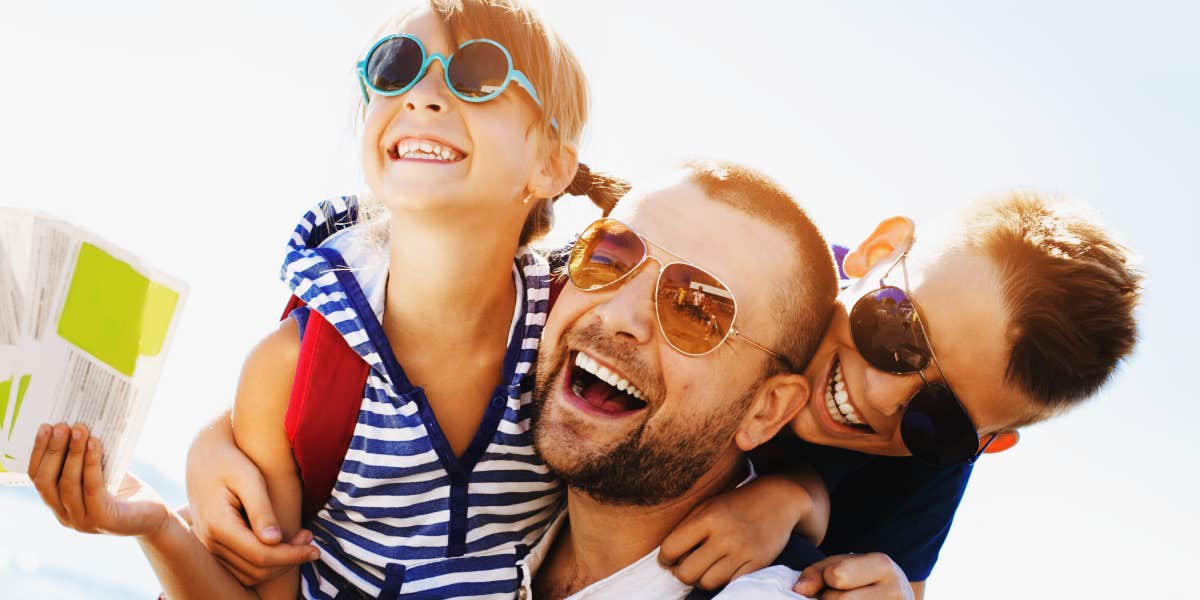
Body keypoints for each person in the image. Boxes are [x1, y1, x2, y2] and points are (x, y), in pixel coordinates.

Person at [25, 2, 831, 597]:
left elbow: (875, 383)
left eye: (697, 307)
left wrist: (798, 494)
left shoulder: (559, 334)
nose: (423, 94)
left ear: (551, 166)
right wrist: (163, 521)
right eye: (393, 69)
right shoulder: (308, 370)